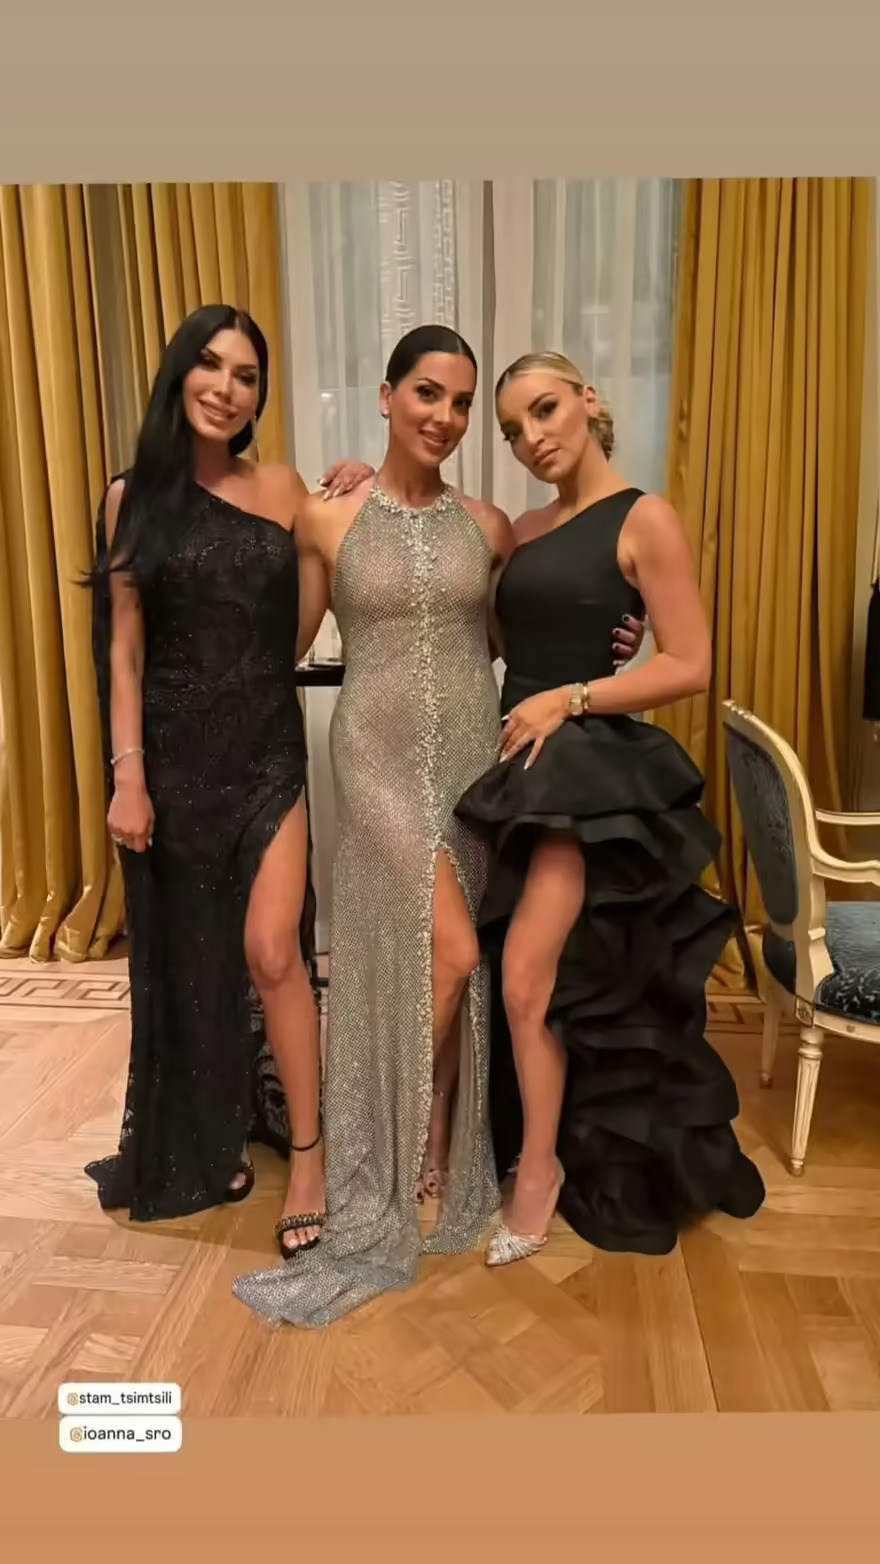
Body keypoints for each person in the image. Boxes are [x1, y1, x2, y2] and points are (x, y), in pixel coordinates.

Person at [231, 325, 644, 1329]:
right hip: (373, 757)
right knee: (453, 953)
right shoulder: (327, 518)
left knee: (443, 956)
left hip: (469, 757)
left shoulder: (490, 525)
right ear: (386, 396)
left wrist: (619, 641)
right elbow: (286, 645)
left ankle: (435, 1135)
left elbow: (522, 636)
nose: (446, 417)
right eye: (427, 393)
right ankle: (383, 1136)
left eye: (462, 404)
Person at [455, 350, 766, 1264]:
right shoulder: (524, 527)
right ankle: (528, 1142)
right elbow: (498, 628)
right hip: (514, 768)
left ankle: (540, 1173)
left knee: (526, 979)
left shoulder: (645, 517)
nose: (532, 437)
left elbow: (691, 663)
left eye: (546, 409)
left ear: (588, 401)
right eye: (513, 429)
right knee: (530, 980)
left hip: (582, 776)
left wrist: (576, 695)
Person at [86, 303, 327, 1256]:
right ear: (180, 372)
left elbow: (305, 618)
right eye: (213, 366)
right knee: (192, 958)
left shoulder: (285, 487)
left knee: (273, 952)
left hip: (267, 750)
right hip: (172, 759)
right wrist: (128, 777)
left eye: (247, 376)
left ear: (260, 396)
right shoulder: (131, 498)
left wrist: (352, 483)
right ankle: (208, 1132)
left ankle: (308, 1157)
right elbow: (125, 651)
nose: (228, 389)